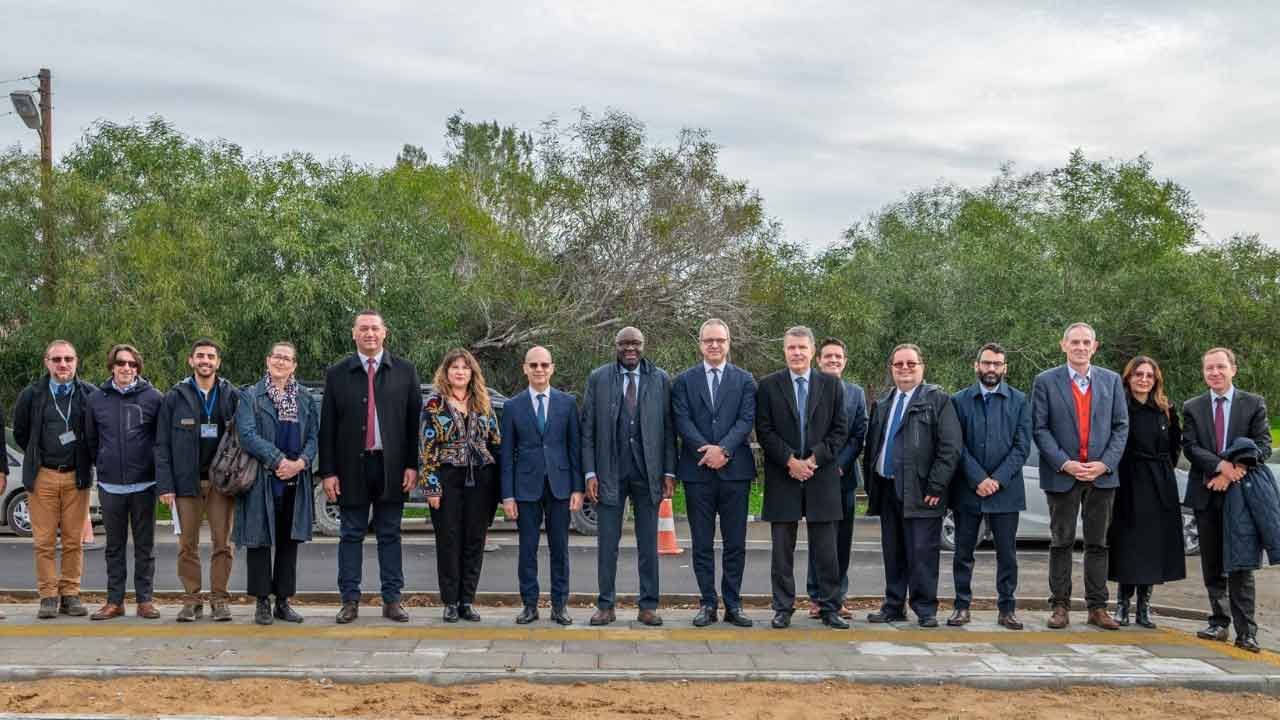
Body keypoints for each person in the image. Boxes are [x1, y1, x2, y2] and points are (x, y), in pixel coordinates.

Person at [318, 310, 422, 624]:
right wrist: (328, 472)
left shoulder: (405, 371)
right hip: (351, 468)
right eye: (363, 328)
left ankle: (392, 600)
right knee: (351, 534)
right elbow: (327, 428)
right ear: (354, 334)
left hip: (392, 468)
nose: (369, 334)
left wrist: (412, 465)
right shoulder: (337, 374)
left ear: (384, 332)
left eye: (375, 328)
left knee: (390, 534)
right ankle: (349, 601)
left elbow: (413, 425)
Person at [1031, 322, 1128, 630]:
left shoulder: (1112, 381)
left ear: (1095, 347)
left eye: (1086, 342)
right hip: (1063, 475)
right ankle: (1060, 606)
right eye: (1075, 342)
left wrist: (1105, 464)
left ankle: (1097, 608)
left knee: (1098, 544)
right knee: (1061, 542)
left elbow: (1121, 426)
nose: (1081, 347)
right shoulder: (1045, 381)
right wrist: (1065, 463)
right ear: (1064, 345)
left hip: (1101, 477)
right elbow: (1040, 428)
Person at [581, 327, 677, 627]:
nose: (630, 348)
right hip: (609, 471)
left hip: (649, 472)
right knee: (607, 544)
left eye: (635, 343)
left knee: (648, 544)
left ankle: (648, 606)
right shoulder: (599, 378)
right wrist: (590, 472)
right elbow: (587, 429)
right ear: (616, 346)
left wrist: (669, 471)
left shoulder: (660, 379)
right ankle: (605, 605)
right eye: (624, 344)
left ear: (644, 345)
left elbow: (669, 429)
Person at [755, 326, 849, 629]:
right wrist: (790, 461)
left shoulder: (832, 385)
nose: (796, 353)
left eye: (802, 348)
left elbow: (840, 430)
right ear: (784, 351)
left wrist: (813, 459)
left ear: (812, 351)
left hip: (821, 477)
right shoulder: (768, 386)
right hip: (784, 476)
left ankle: (830, 607)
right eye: (791, 348)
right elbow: (764, 430)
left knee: (826, 550)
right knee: (782, 551)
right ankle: (783, 608)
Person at [864, 343, 962, 628]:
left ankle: (925, 608)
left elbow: (950, 448)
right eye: (899, 364)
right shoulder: (883, 403)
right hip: (887, 488)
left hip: (922, 491)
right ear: (891, 369)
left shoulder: (937, 400)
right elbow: (874, 446)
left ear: (922, 367)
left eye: (911, 363)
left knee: (922, 553)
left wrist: (936, 486)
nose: (904, 368)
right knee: (893, 552)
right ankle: (894, 605)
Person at [1182, 347, 1270, 653]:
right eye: (1209, 368)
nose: (1215, 373)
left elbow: (1262, 445)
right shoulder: (1193, 407)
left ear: (1233, 369)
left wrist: (1235, 471)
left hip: (1241, 495)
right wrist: (1221, 467)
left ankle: (1247, 632)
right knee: (1213, 563)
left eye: (1220, 367)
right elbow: (1191, 447)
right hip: (1206, 492)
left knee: (1241, 564)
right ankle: (1219, 622)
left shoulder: (1253, 404)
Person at [671, 319, 757, 628]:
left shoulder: (745, 380)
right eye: (709, 340)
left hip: (735, 472)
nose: (714, 345)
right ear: (700, 344)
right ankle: (707, 603)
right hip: (698, 472)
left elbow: (746, 419)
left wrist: (725, 450)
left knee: (735, 544)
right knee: (702, 543)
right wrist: (707, 452)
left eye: (720, 340)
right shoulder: (684, 381)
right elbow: (682, 420)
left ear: (728, 343)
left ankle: (733, 604)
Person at [154, 339, 240, 622]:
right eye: (200, 356)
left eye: (211, 356)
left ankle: (219, 600)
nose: (205, 360)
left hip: (221, 485)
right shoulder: (174, 397)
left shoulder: (231, 395)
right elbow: (162, 444)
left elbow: (242, 438)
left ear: (218, 362)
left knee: (222, 544)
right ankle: (191, 600)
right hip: (185, 484)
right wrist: (166, 485)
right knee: (186, 545)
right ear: (191, 360)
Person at [235, 342, 319, 625]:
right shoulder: (251, 395)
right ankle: (262, 602)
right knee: (259, 541)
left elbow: (313, 437)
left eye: (287, 358)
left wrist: (300, 463)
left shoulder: (305, 398)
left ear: (294, 365)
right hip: (262, 478)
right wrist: (278, 460)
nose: (281, 362)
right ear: (267, 360)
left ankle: (283, 601)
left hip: (295, 479)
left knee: (288, 541)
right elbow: (246, 434)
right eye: (276, 357)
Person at [12, 341, 97, 620]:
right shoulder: (32, 394)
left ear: (76, 361)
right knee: (44, 542)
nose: (63, 364)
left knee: (73, 541)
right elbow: (22, 433)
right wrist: (38, 457)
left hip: (77, 475)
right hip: (43, 476)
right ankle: (48, 596)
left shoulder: (89, 394)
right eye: (57, 359)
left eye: (68, 359)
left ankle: (70, 595)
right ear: (46, 362)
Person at [948, 343, 1030, 630]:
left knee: (1007, 555)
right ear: (977, 365)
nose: (991, 368)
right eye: (986, 363)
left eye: (997, 363)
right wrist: (978, 479)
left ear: (1005, 367)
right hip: (968, 490)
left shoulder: (1020, 400)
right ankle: (961, 607)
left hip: (1005, 491)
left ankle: (1007, 609)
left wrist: (996, 480)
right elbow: (956, 445)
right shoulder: (959, 401)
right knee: (963, 553)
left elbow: (1022, 447)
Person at [500, 346, 583, 625]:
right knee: (527, 549)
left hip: (560, 486)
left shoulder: (567, 403)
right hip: (525, 488)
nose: (539, 370)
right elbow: (506, 455)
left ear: (552, 368)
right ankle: (529, 605)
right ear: (525, 368)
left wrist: (577, 488)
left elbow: (575, 448)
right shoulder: (513, 406)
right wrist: (508, 496)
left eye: (544, 365)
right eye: (533, 365)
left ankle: (560, 606)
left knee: (560, 549)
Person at [420, 348, 501, 623]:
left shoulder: (484, 402)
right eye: (454, 367)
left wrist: (500, 486)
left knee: (475, 541)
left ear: (472, 372)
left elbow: (495, 442)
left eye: (465, 367)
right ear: (446, 372)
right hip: (447, 478)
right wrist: (431, 486)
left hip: (481, 480)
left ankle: (467, 600)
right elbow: (427, 447)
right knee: (449, 540)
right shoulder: (434, 404)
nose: (460, 372)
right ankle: (450, 602)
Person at [83, 344, 164, 620]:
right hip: (110, 486)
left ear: (138, 367)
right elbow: (91, 440)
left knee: (145, 547)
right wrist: (103, 463)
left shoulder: (154, 398)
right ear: (112, 366)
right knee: (114, 548)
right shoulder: (96, 399)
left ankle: (145, 601)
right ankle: (114, 601)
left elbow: (160, 441)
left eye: (132, 363)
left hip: (145, 485)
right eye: (121, 363)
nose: (126, 368)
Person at [1108, 356, 1185, 629]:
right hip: (1128, 482)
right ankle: (1122, 605)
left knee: (1153, 547)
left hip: (1159, 483)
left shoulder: (1166, 409)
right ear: (1128, 377)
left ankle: (1144, 607)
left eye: (1149, 375)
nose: (1143, 379)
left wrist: (1162, 471)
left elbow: (1175, 445)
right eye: (1138, 374)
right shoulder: (1119, 407)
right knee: (1129, 545)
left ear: (1156, 380)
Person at [805, 337, 867, 620]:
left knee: (841, 540)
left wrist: (840, 464)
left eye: (838, 356)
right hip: (815, 475)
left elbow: (859, 434)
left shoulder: (856, 393)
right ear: (818, 360)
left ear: (845, 361)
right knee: (818, 539)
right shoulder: (808, 390)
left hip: (844, 477)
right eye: (828, 356)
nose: (833, 360)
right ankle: (816, 596)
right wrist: (818, 462)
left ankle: (837, 596)